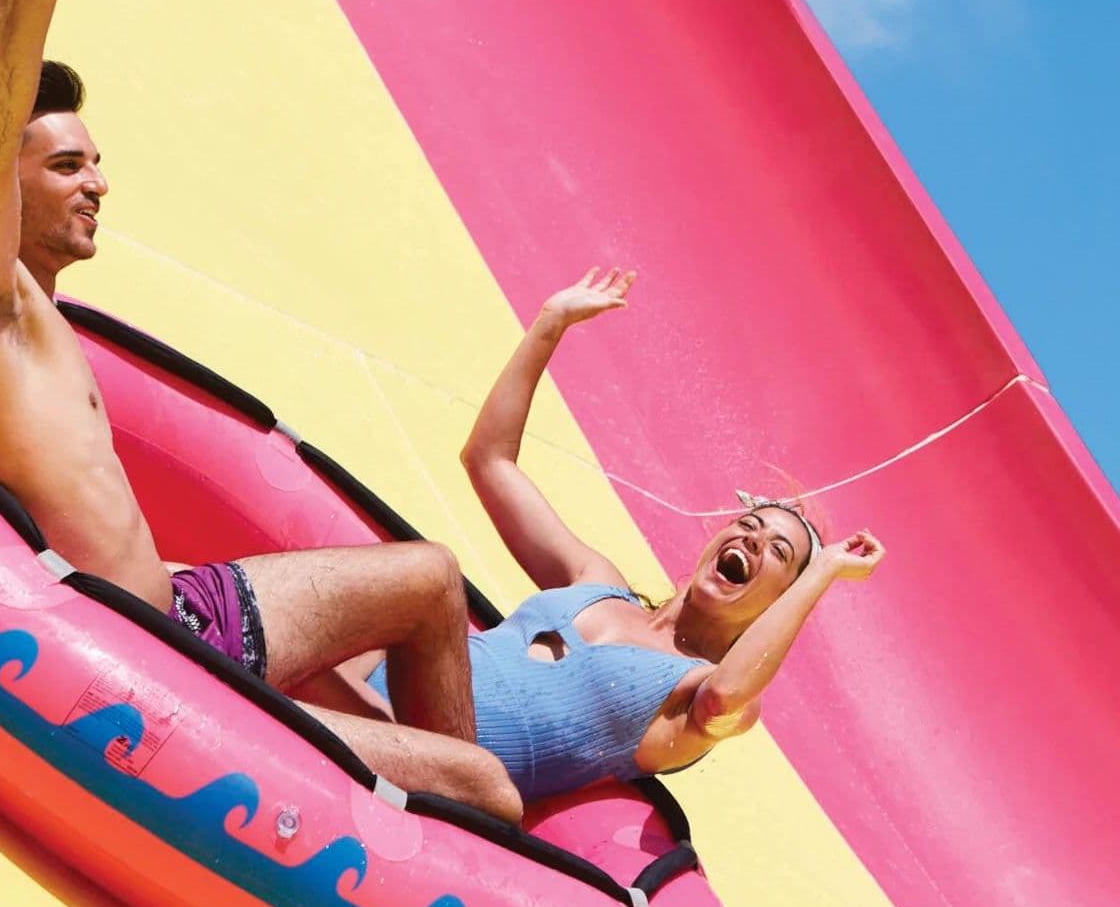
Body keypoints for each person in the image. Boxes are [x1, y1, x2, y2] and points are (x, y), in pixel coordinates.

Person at [0, 0, 521, 820]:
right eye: (68, 167)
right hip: (154, 660)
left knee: (427, 579)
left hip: (189, 609)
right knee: (487, 787)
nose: (99, 183)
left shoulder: (32, 306)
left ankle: (407, 789)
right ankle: (451, 822)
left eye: (95, 161)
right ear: (6, 189)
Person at [344, 265, 884, 802]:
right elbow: (488, 460)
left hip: (436, 770)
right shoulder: (595, 581)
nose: (752, 541)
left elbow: (724, 696)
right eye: (748, 524)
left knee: (419, 596)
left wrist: (825, 569)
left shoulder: (703, 692)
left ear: (780, 603)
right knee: (421, 572)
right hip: (366, 693)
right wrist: (549, 326)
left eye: (779, 552)